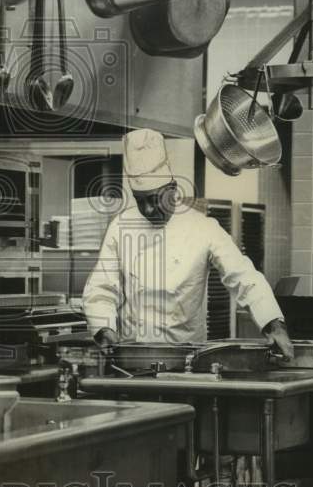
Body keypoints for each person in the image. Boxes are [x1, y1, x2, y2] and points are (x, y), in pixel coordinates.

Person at [82, 129, 293, 358]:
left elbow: (244, 276)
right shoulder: (120, 227)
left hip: (188, 359)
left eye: (154, 199)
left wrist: (273, 324)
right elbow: (101, 287)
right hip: (133, 358)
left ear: (172, 189)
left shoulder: (203, 227)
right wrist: (103, 329)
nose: (149, 210)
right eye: (140, 201)